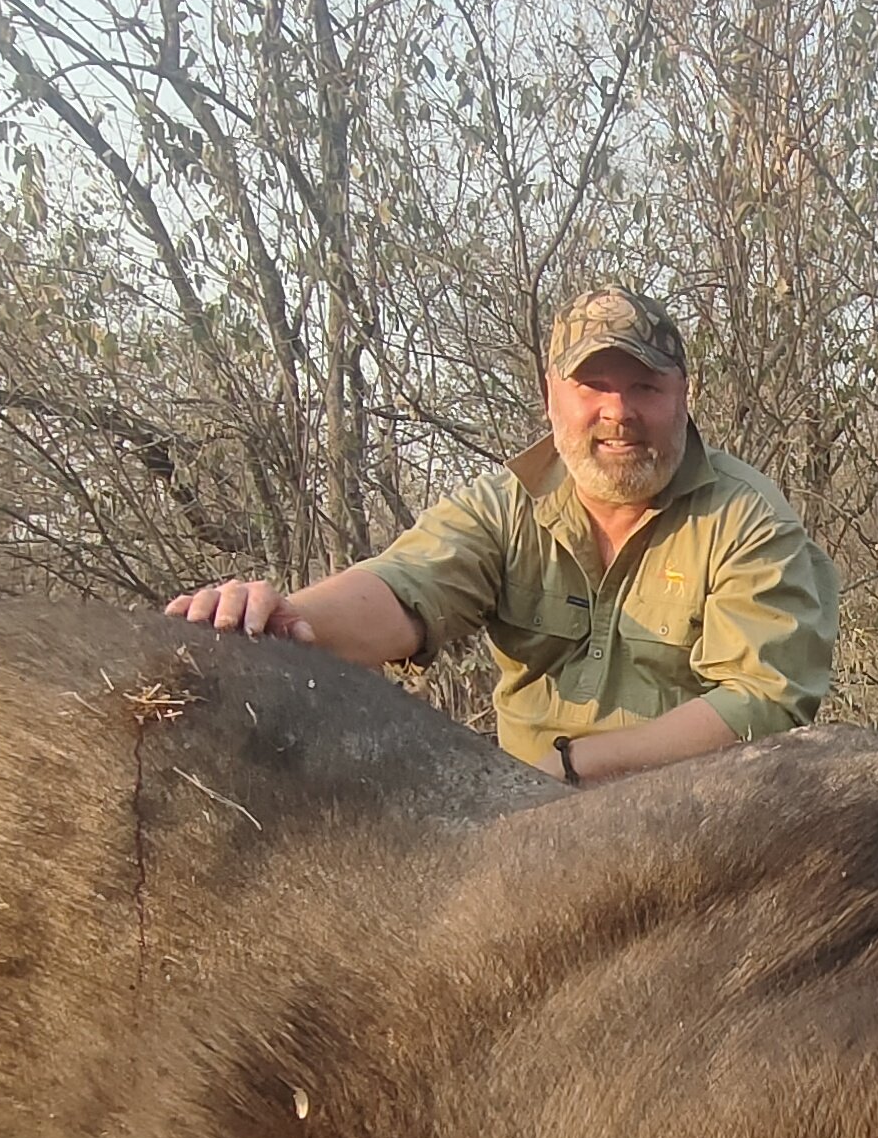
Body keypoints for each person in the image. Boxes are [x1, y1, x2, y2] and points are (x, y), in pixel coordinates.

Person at [165, 285, 837, 785]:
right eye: (593, 386)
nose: (619, 413)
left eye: (645, 388)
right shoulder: (507, 507)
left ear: (682, 395)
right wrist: (285, 618)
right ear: (551, 397)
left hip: (691, 815)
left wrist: (572, 769)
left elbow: (762, 704)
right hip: (521, 823)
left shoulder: (746, 517)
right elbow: (407, 589)